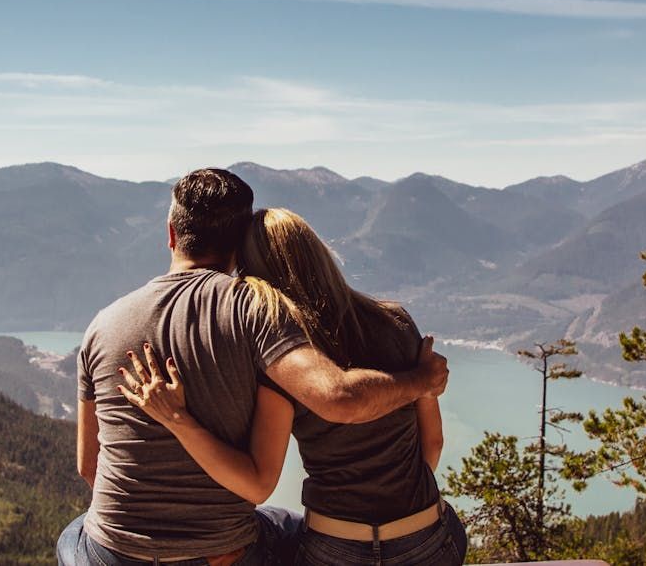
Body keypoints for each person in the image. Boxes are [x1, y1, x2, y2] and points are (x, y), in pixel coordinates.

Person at [60, 169, 450, 566]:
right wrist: (421, 380)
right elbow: (333, 405)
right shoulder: (258, 312)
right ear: (238, 245)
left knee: (73, 534)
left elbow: (88, 466)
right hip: (225, 554)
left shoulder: (101, 325)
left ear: (171, 233)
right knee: (284, 525)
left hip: (112, 553)